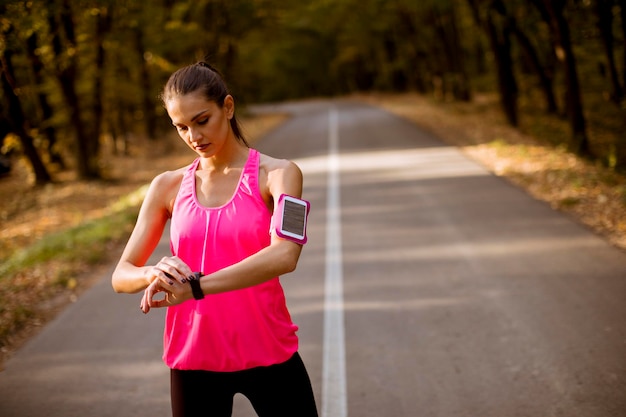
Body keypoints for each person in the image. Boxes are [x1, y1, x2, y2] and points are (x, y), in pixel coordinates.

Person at [111, 61, 318, 417]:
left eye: (202, 120)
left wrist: (196, 287)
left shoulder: (279, 174)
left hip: (268, 351)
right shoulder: (166, 186)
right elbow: (121, 275)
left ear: (228, 107)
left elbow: (285, 255)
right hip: (194, 358)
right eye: (181, 127)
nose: (193, 136)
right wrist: (153, 274)